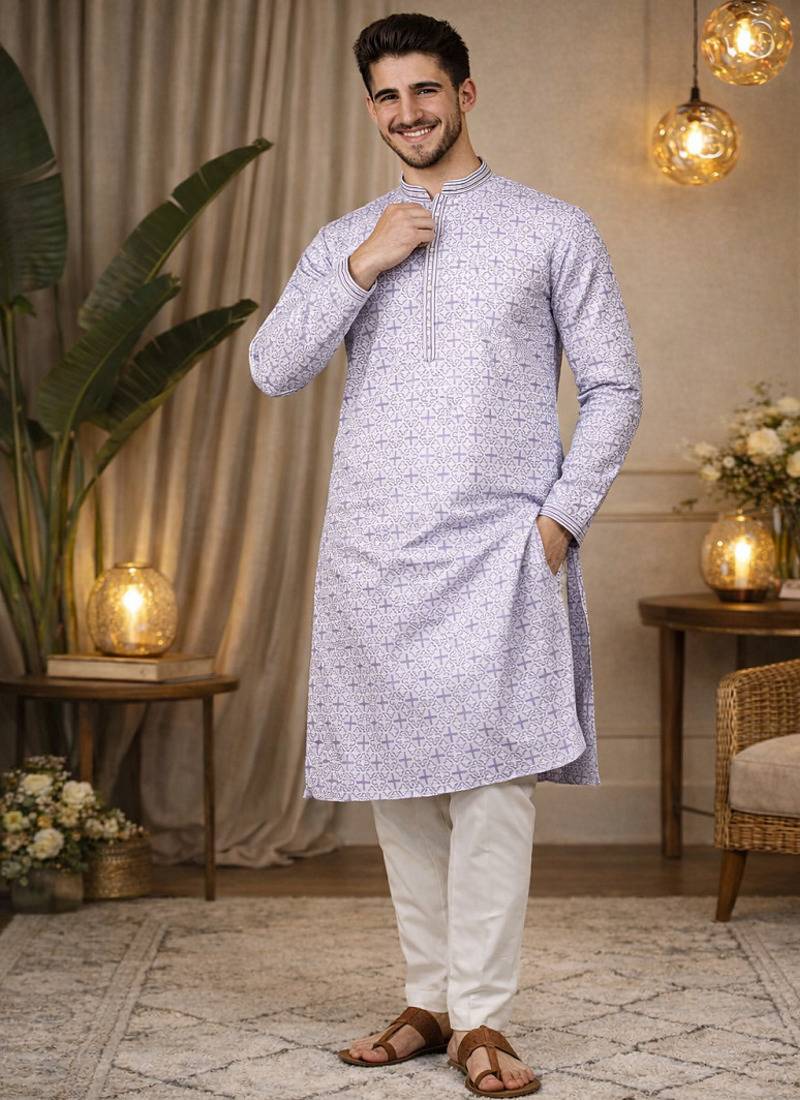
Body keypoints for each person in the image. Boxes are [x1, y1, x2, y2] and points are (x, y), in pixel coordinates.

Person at [249, 12, 642, 1096]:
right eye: (387, 96)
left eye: (425, 90)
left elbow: (614, 384)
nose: (407, 112)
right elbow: (273, 366)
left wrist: (557, 522)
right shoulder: (347, 236)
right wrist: (363, 264)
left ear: (465, 95)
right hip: (374, 552)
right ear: (370, 108)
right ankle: (427, 1001)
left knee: (493, 786)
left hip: (499, 548)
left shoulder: (552, 228)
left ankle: (483, 1017)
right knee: (401, 787)